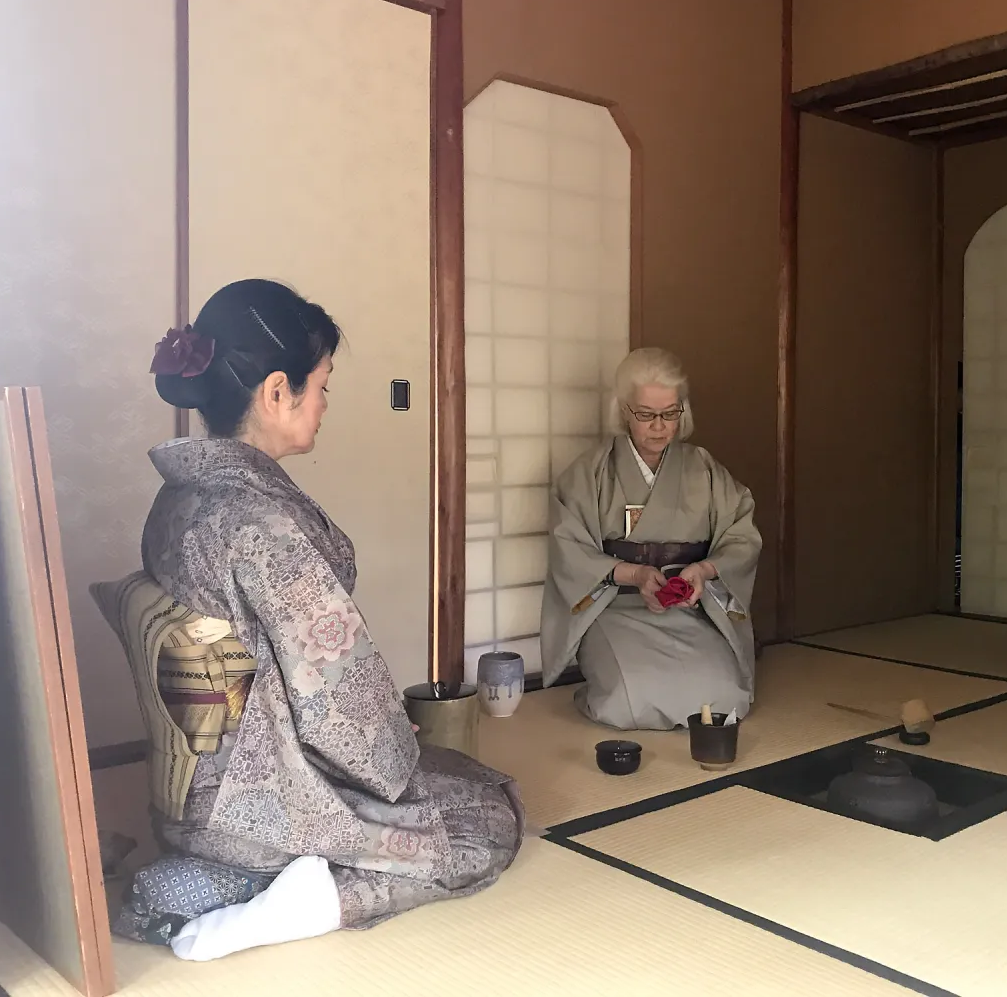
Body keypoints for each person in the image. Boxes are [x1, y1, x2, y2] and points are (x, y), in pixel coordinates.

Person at [96, 279, 523, 960]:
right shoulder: (262, 523)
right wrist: (389, 742)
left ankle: (205, 881)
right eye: (320, 385)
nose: (325, 404)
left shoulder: (181, 499)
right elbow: (336, 711)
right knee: (484, 821)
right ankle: (300, 903)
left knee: (457, 773)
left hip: (193, 791)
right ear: (274, 392)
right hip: (265, 799)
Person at [540, 347, 762, 731]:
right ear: (624, 410)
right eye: (646, 414)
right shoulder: (590, 474)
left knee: (726, 700)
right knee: (629, 700)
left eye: (670, 413)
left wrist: (704, 571)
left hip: (689, 608)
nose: (659, 426)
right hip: (616, 609)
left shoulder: (704, 469)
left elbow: (741, 535)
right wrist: (634, 576)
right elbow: (569, 548)